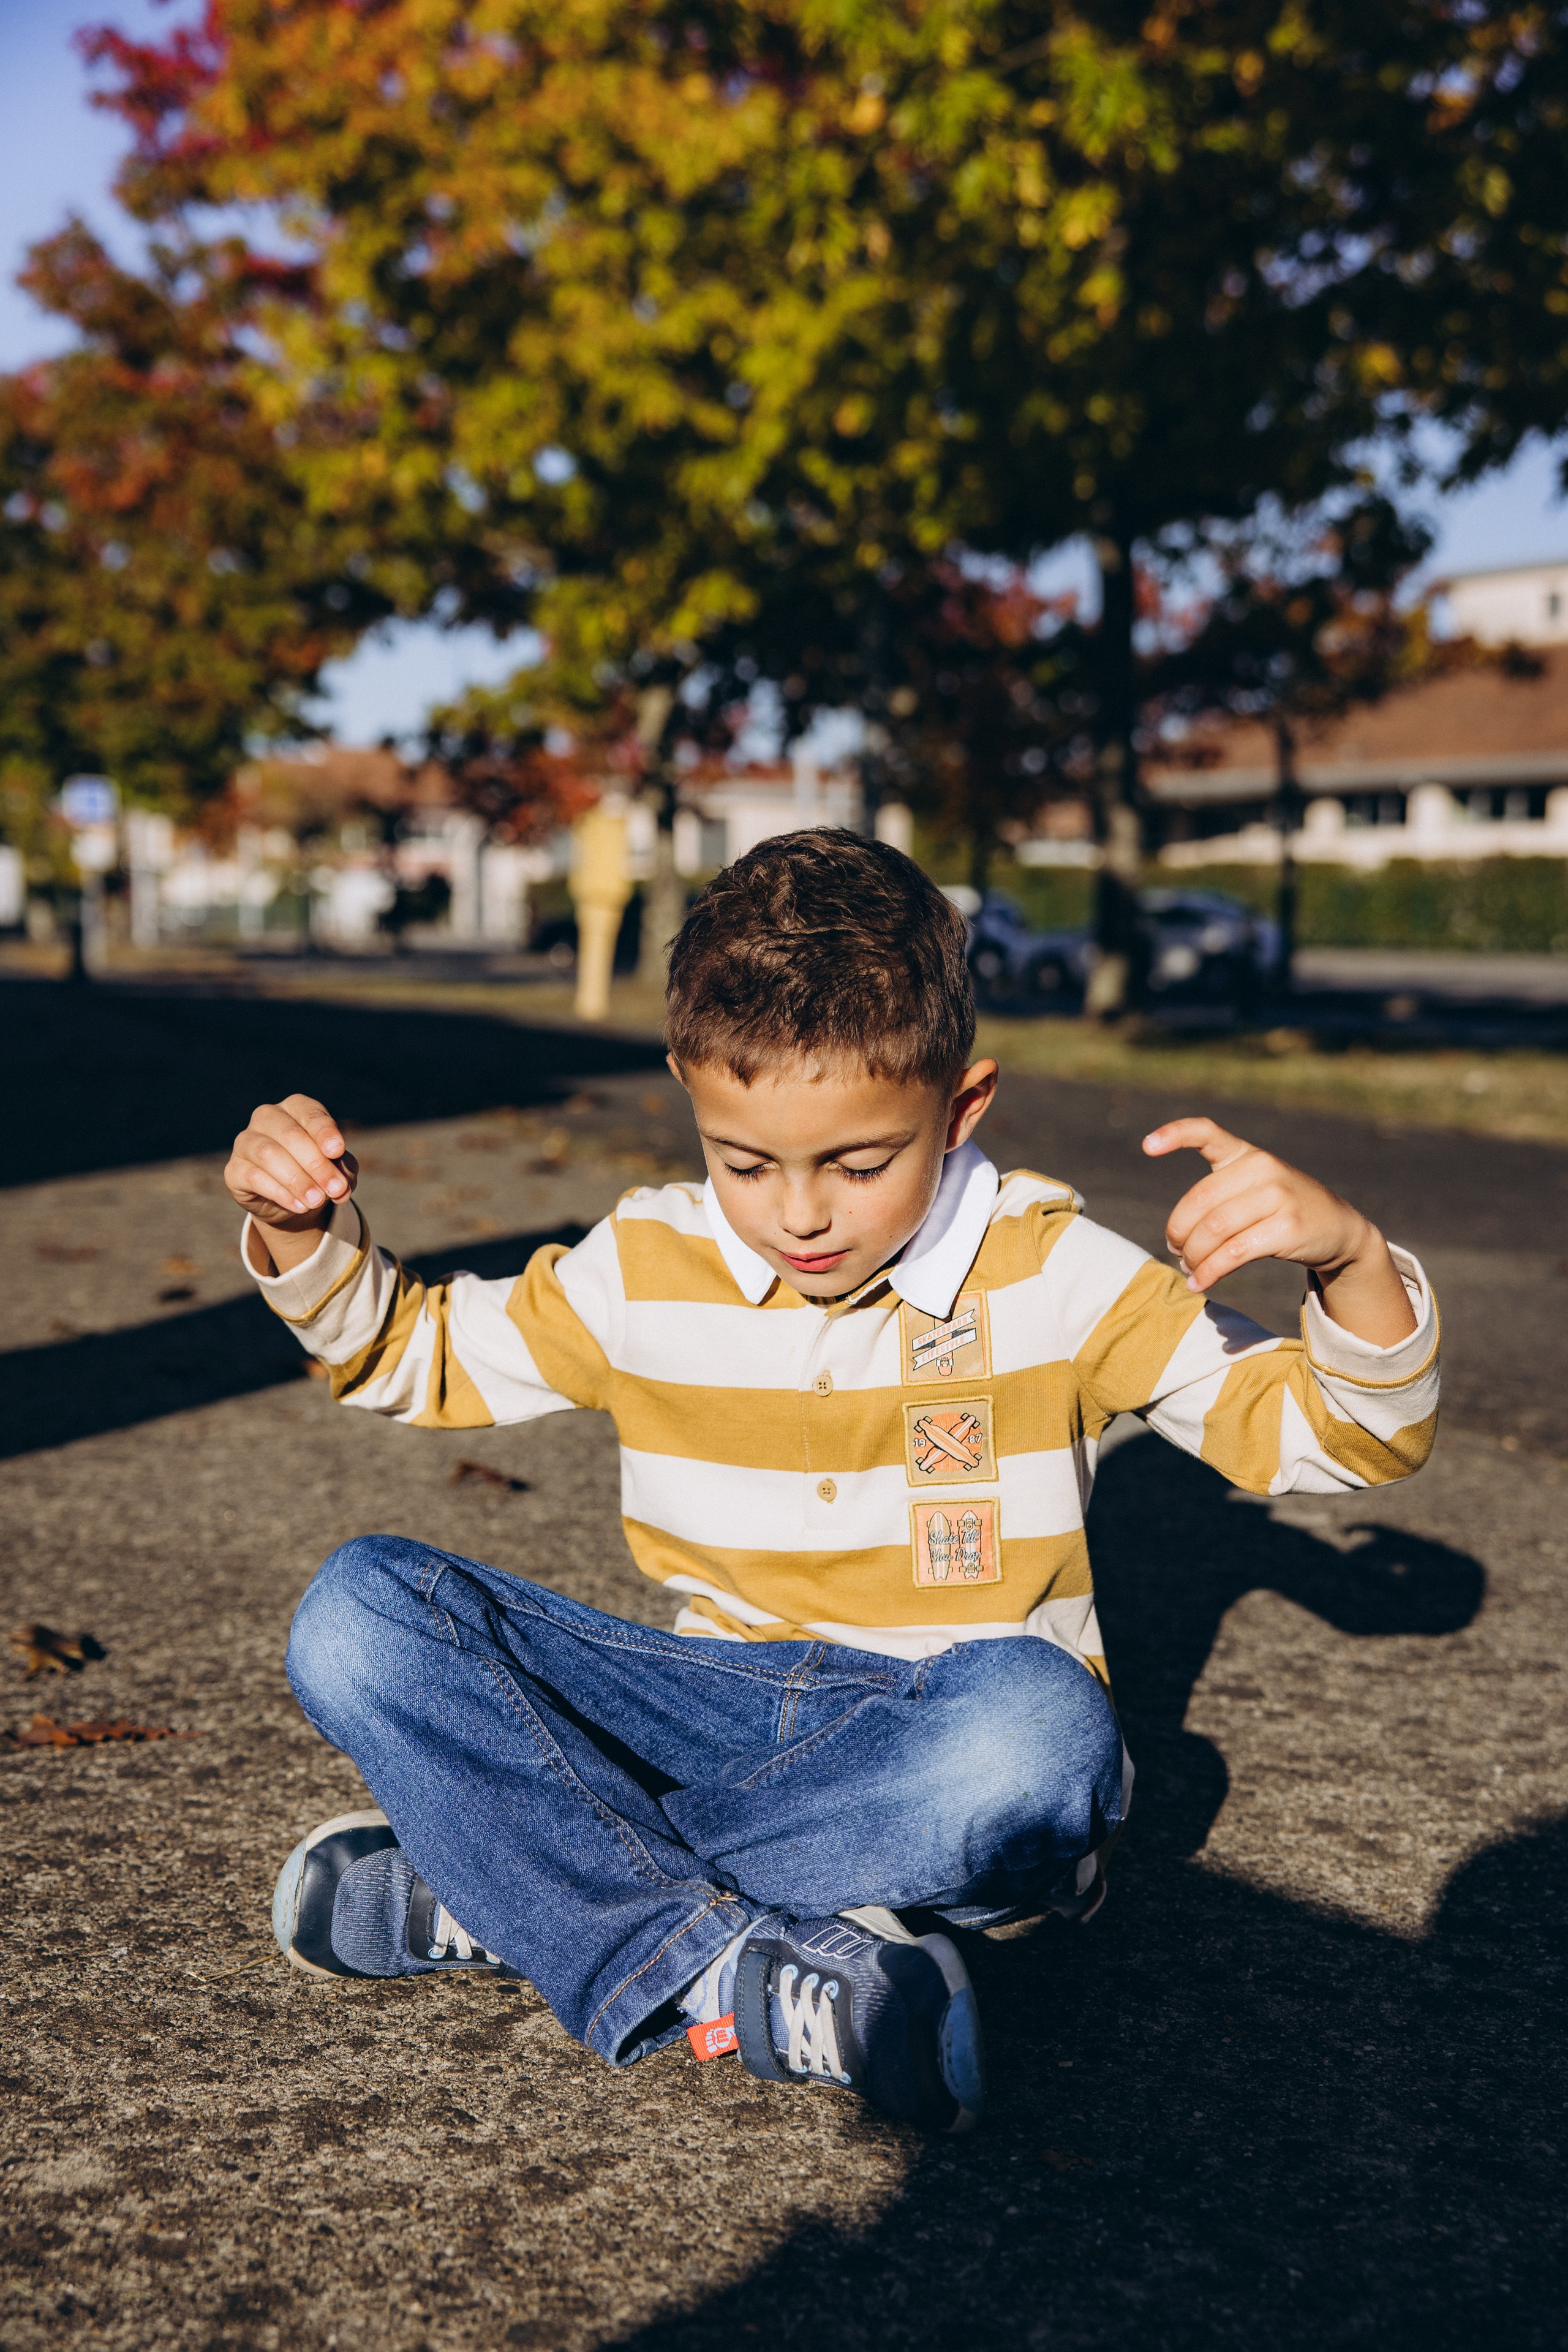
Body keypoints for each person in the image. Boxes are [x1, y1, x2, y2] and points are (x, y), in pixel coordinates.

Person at [226, 832, 1438, 2135]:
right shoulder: (644, 1262)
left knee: (1041, 1738)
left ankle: (509, 1893)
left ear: (960, 1109)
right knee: (359, 1612)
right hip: (705, 1710)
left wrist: (1347, 1259)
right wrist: (301, 1229)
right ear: (696, 1103)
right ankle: (718, 1955)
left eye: (858, 1164)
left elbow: (1344, 1438)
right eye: (742, 1163)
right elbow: (411, 1354)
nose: (797, 1215)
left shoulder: (1059, 1276)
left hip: (938, 1742)